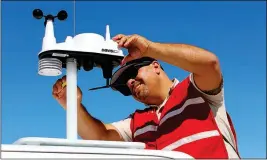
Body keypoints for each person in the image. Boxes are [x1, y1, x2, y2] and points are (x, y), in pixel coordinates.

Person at [52, 34, 240, 158]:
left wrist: (150, 48)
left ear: (156, 66)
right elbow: (100, 136)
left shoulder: (196, 90)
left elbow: (210, 65)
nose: (130, 83)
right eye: (125, 85)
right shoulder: (136, 122)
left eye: (132, 74)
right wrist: (73, 106)